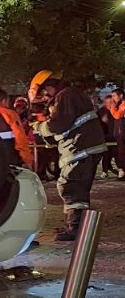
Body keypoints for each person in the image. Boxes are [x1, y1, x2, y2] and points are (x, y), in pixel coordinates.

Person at [32, 79, 107, 241]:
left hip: (80, 149)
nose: (46, 98)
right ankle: (75, 225)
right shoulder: (73, 94)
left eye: (45, 93)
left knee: (71, 186)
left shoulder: (65, 96)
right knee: (78, 188)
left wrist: (39, 126)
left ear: (50, 87)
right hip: (86, 147)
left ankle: (75, 228)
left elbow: (58, 125)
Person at [109, 88, 125, 179]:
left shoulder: (123, 104)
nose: (113, 98)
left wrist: (112, 107)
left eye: (114, 96)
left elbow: (117, 115)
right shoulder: (120, 104)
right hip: (120, 133)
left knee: (122, 153)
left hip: (122, 133)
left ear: (121, 95)